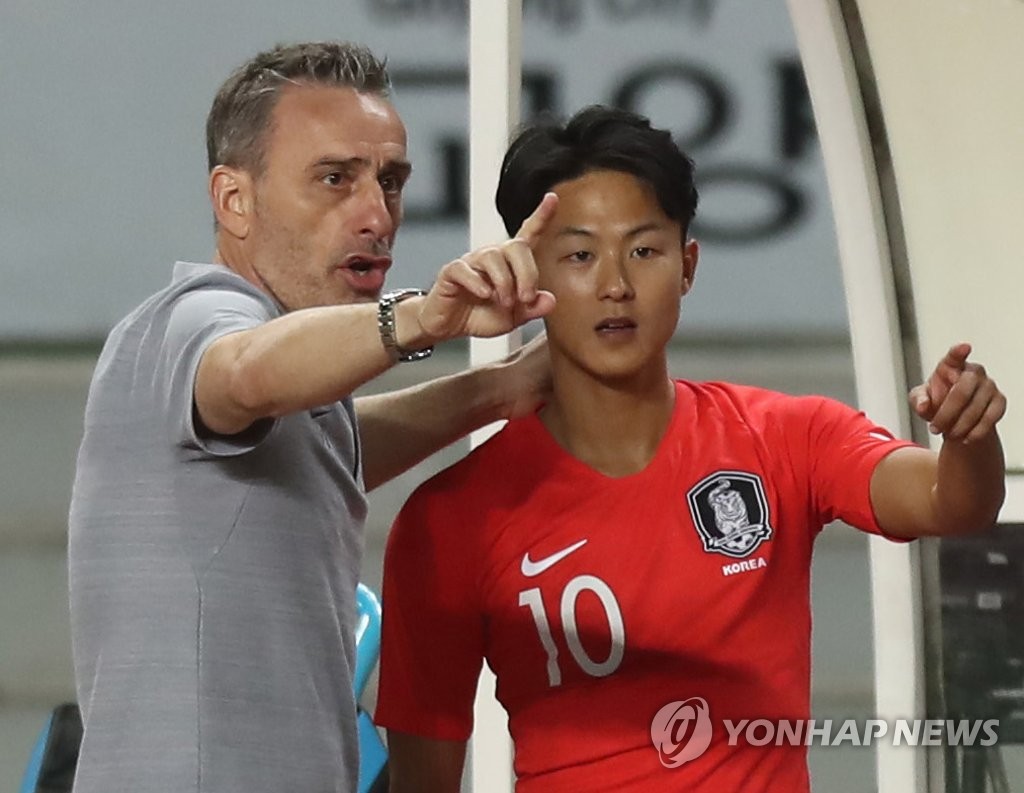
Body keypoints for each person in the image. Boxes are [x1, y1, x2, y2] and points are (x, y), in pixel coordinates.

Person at [374, 106, 1007, 792]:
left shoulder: (787, 437)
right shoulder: (448, 522)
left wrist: (969, 436)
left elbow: (951, 502)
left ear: (688, 265)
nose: (615, 283)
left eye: (644, 249)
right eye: (580, 254)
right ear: (530, 278)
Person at [67, 41, 559, 793]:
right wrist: (424, 317)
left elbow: (332, 445)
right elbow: (249, 370)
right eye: (335, 179)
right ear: (235, 199)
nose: (377, 215)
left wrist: (496, 392)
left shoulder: (303, 384)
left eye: (390, 181)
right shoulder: (190, 319)